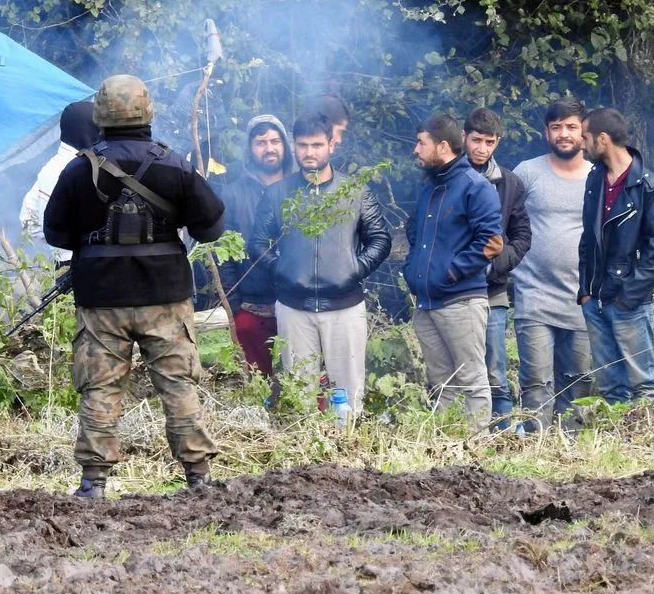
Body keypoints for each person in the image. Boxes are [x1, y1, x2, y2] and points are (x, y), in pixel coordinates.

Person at [43, 75, 225, 500]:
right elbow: (212, 226)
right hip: (165, 298)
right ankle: (198, 477)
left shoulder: (78, 168)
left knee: (100, 388)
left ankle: (93, 484)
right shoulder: (174, 164)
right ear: (148, 111)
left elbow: (55, 234)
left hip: (101, 300)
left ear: (100, 115)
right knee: (178, 384)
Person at [249, 113, 390, 411]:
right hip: (293, 307)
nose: (309, 152)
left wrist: (354, 269)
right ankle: (306, 452)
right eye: (302, 145)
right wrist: (282, 271)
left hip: (345, 306)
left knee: (349, 395)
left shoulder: (355, 191)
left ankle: (349, 449)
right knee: (299, 395)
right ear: (294, 146)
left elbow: (380, 239)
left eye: (316, 145)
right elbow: (258, 244)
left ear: (331, 145)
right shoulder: (278, 194)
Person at [404, 114, 504, 426]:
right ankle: (446, 454)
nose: (416, 150)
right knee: (442, 384)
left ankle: (476, 459)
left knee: (472, 381)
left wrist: (450, 273)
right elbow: (417, 236)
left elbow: (492, 243)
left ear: (443, 146)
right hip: (427, 304)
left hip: (461, 301)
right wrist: (413, 272)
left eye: (422, 143)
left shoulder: (476, 187)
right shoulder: (430, 188)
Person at [510, 97, 596, 430]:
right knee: (535, 382)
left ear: (583, 132)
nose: (564, 134)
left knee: (578, 382)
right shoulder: (527, 173)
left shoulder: (597, 177)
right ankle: (536, 450)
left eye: (571, 127)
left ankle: (570, 455)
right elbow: (505, 225)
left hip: (581, 298)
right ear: (546, 132)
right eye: (556, 127)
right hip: (533, 295)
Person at [578, 108, 654, 404]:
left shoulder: (648, 187)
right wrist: (585, 291)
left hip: (629, 300)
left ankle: (646, 444)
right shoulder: (594, 180)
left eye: (585, 137)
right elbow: (587, 239)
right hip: (596, 299)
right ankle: (613, 446)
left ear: (603, 139)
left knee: (643, 385)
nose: (582, 144)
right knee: (609, 387)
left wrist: (629, 295)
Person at [462, 108, 531, 429]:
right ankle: (460, 431)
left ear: (497, 142)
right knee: (457, 367)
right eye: (476, 140)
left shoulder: (509, 182)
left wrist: (499, 265)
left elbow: (522, 234)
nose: (482, 148)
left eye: (489, 142)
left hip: (492, 290)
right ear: (464, 137)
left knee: (495, 368)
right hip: (452, 288)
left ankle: (505, 434)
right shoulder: (446, 175)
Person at [211, 115, 295, 376]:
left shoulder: (302, 188)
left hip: (299, 302)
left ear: (285, 145)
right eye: (261, 142)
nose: (269, 148)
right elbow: (221, 252)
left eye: (274, 141)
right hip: (252, 305)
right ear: (250, 149)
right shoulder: (232, 194)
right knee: (260, 381)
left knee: (304, 378)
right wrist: (234, 306)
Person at [19, 100, 101, 262]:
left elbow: (27, 217)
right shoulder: (75, 168)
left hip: (68, 257)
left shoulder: (52, 166)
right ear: (87, 129)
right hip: (78, 259)